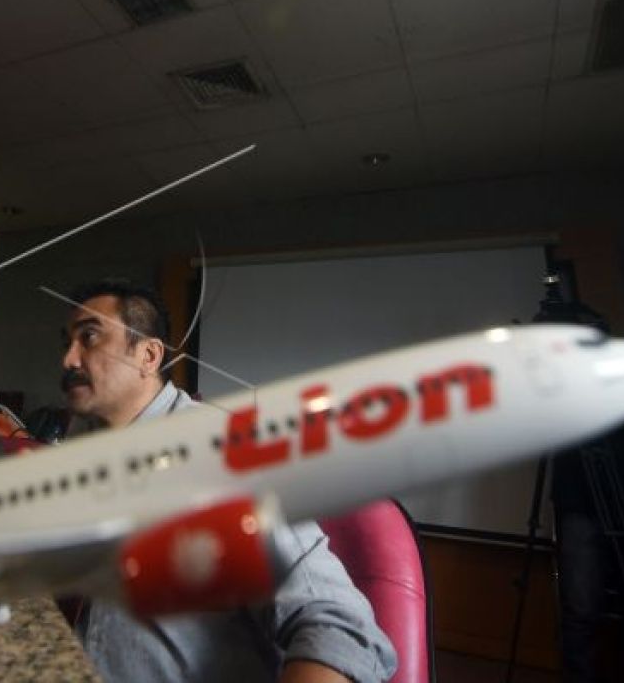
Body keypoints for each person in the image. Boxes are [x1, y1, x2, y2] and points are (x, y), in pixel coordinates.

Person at [58, 279, 397, 683]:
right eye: (66, 342)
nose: (68, 359)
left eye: (89, 338)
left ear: (148, 355)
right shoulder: (87, 443)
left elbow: (338, 628)